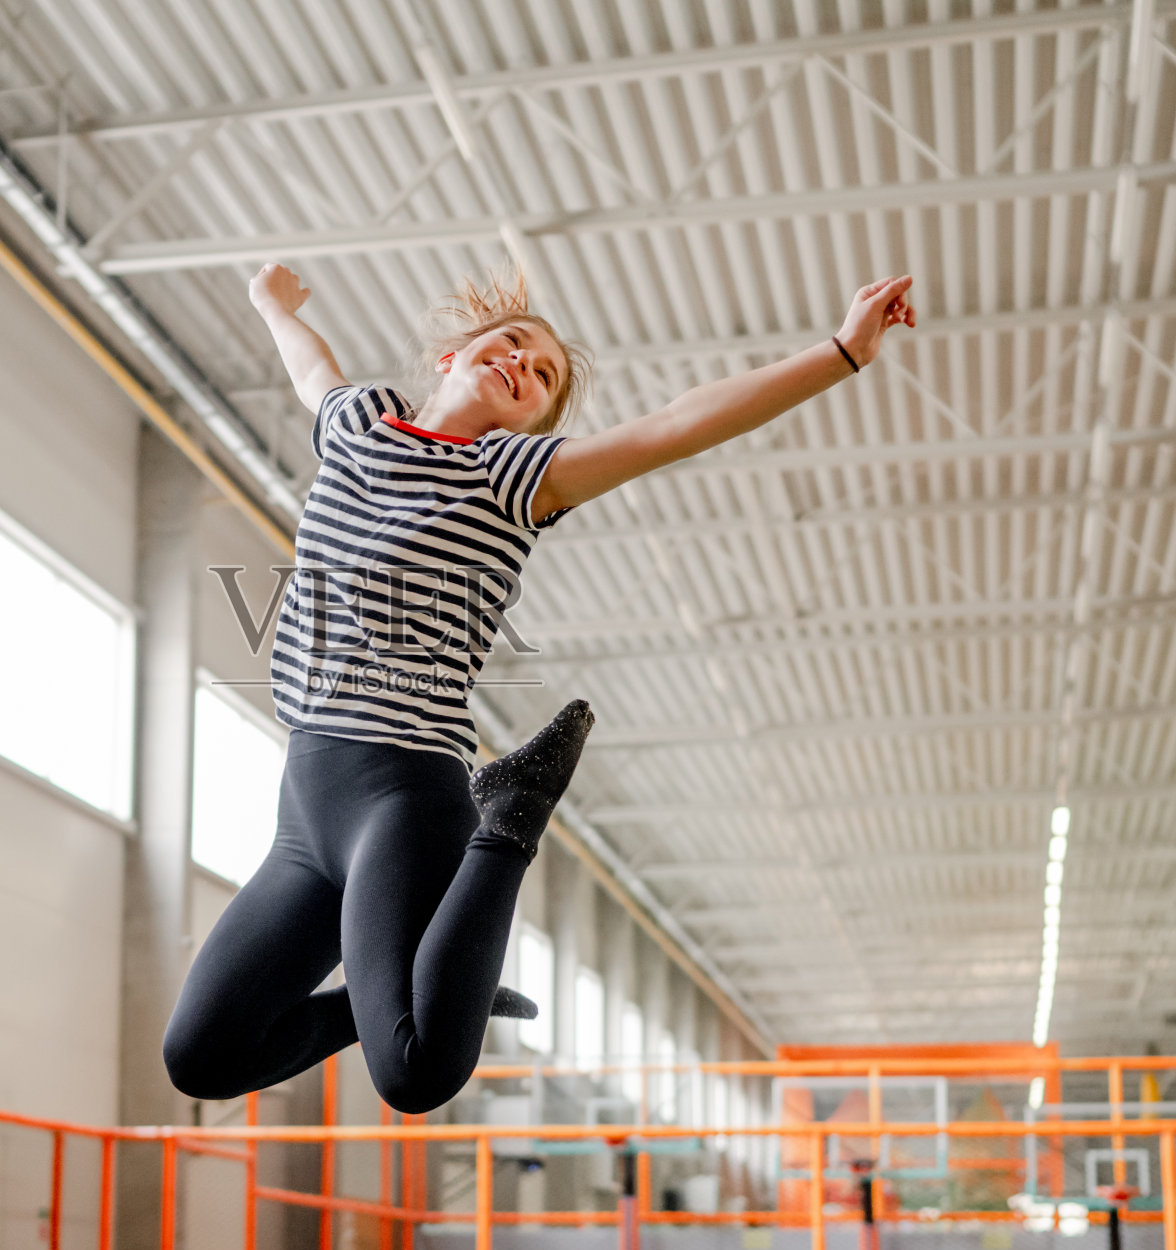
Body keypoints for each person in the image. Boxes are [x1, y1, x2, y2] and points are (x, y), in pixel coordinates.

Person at [163, 264, 915, 1114]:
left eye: (543, 376)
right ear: (452, 357)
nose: (522, 363)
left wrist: (842, 352)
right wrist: (272, 304)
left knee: (414, 1074)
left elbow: (676, 426)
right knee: (203, 1057)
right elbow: (310, 366)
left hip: (403, 796)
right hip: (303, 814)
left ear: (531, 420)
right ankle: (398, 1007)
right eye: (511, 344)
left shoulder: (514, 477)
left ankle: (513, 812)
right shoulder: (362, 422)